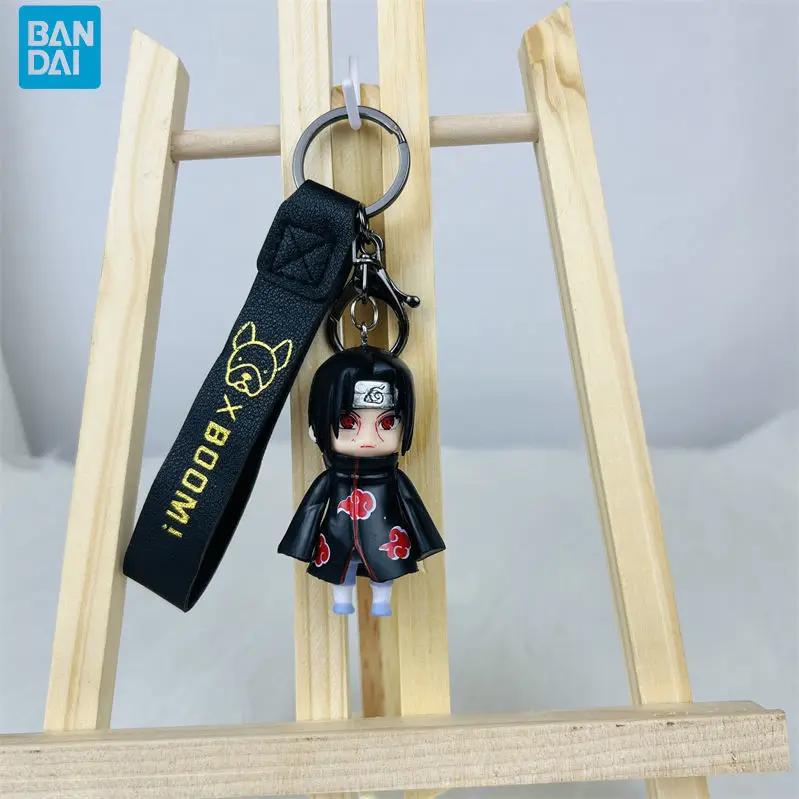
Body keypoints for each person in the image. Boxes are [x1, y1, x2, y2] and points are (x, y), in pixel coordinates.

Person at [278, 345, 445, 616]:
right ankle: (342, 599)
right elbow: (312, 507)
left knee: (384, 567)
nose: (368, 439)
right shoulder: (332, 478)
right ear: (318, 426)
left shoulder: (393, 478)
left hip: (385, 531)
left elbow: (413, 506)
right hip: (338, 532)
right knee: (340, 566)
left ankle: (382, 601)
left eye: (387, 424)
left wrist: (424, 542)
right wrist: (301, 542)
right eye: (348, 422)